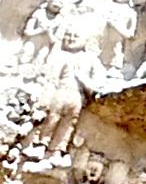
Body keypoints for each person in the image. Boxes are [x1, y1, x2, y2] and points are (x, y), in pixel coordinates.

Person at [23, 19, 107, 168]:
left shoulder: (91, 60)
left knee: (69, 124)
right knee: (52, 118)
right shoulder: (59, 56)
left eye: (76, 36)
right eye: (68, 35)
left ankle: (58, 150)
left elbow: (98, 84)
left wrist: (85, 80)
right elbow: (51, 78)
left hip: (77, 96)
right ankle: (41, 144)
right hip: (60, 93)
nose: (71, 38)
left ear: (87, 40)